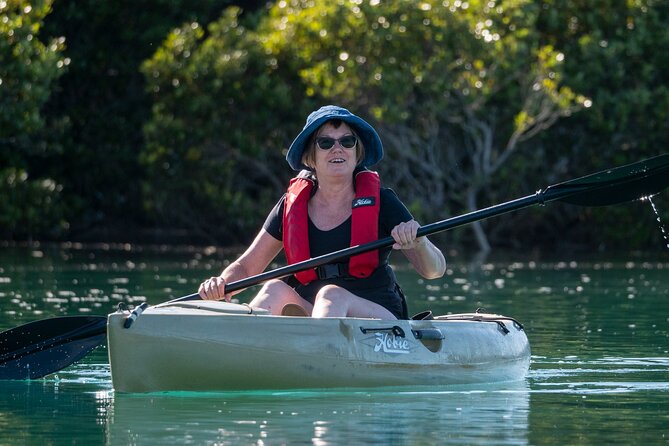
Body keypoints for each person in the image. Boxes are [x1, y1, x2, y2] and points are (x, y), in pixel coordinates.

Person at [198, 105, 446, 319]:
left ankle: (317, 357)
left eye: (347, 141)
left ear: (356, 152)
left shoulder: (383, 202)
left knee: (331, 295)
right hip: (316, 314)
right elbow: (246, 268)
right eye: (325, 142)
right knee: (273, 289)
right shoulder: (289, 205)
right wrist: (222, 283)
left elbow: (434, 270)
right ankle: (243, 349)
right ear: (311, 157)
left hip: (378, 318)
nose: (337, 149)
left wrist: (419, 241)